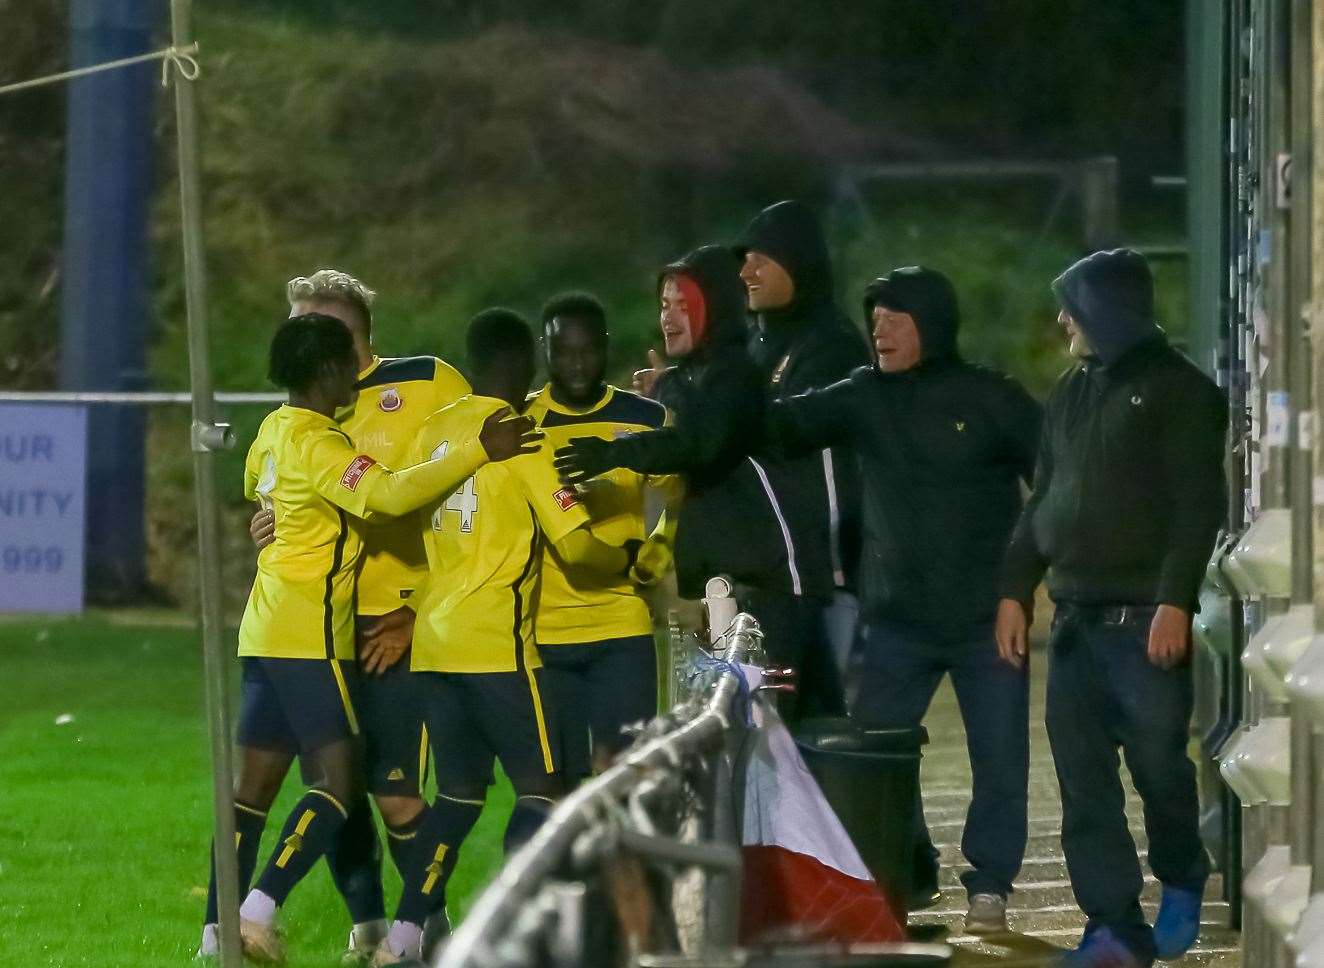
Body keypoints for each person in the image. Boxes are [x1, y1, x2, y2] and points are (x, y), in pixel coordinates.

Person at [200, 313, 540, 963]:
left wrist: (278, 519)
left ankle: (217, 933)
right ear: (326, 372)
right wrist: (477, 449)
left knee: (252, 789)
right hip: (309, 634)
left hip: (261, 629)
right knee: (338, 780)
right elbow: (384, 495)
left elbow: (254, 488)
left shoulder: (271, 433)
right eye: (344, 364)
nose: (355, 375)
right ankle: (256, 913)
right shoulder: (321, 445)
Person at [764, 266, 1041, 932]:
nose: (878, 330)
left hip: (985, 622)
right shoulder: (863, 396)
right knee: (875, 762)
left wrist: (1018, 591)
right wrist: (700, 388)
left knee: (1000, 758)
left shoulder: (993, 399)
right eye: (875, 318)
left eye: (895, 318)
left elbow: (1054, 495)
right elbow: (779, 428)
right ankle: (894, 875)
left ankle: (991, 886)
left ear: (932, 326)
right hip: (896, 625)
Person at [373, 308, 641, 965]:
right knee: (544, 791)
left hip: (433, 643)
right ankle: (512, 922)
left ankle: (403, 938)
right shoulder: (523, 440)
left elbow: (400, 501)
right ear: (526, 368)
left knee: (458, 797)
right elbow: (578, 549)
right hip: (496, 646)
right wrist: (627, 553)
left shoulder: (436, 431)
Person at [996, 249, 1227, 968]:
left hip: (1142, 624)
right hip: (1073, 628)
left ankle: (1182, 876)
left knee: (1160, 768)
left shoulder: (1181, 390)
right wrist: (1013, 589)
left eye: (1072, 304)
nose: (1063, 318)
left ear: (1105, 308)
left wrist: (1175, 602)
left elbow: (1197, 507)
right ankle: (1113, 929)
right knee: (1085, 788)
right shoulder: (1070, 391)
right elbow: (1045, 503)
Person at [248, 268, 474, 962]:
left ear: (361, 338)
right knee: (338, 787)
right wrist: (262, 524)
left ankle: (424, 934)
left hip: (394, 625)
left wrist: (421, 609)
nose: (322, 345)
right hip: (323, 628)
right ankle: (378, 930)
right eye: (307, 330)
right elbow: (273, 498)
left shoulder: (430, 382)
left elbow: (467, 499)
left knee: (395, 794)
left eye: (334, 331)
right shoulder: (307, 426)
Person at [552, 246, 769, 630]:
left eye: (682, 304)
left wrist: (613, 453)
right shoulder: (688, 377)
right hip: (708, 581)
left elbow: (696, 443)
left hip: (750, 582)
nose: (667, 316)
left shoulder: (737, 374)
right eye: (664, 304)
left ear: (713, 306)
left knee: (753, 689)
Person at [526, 291, 678, 780]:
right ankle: (577, 861)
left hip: (622, 628)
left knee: (630, 778)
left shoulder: (645, 419)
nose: (575, 363)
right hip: (543, 629)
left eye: (587, 350)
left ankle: (630, 860)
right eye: (562, 351)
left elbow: (676, 501)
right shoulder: (521, 424)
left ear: (606, 348)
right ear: (543, 349)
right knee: (560, 784)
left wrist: (655, 553)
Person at [735, 200, 869, 715]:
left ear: (797, 263)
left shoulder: (831, 345)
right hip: (774, 574)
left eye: (760, 258)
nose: (745, 270)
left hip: (827, 576)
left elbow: (817, 459)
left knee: (831, 730)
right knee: (777, 730)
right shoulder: (757, 342)